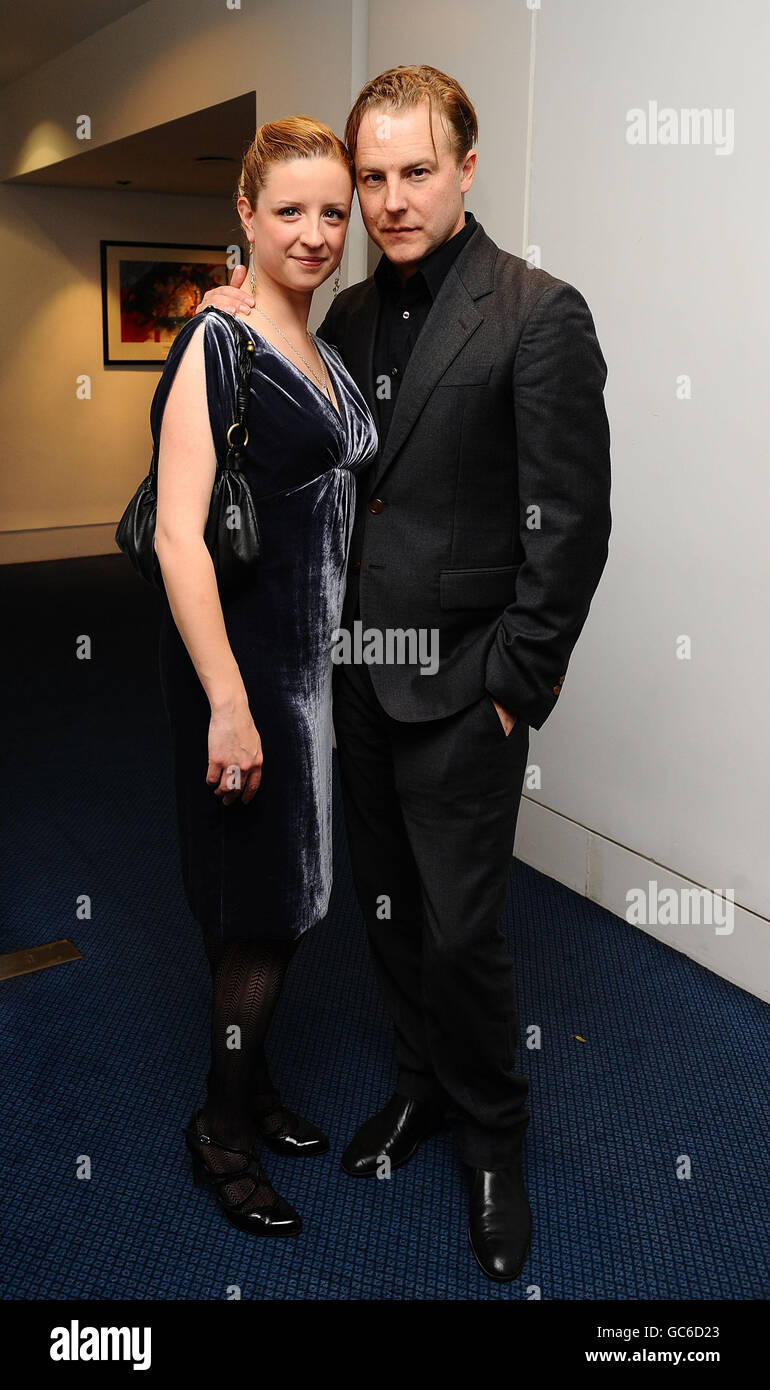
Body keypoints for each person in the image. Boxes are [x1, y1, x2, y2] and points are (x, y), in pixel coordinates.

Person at [201, 64, 612, 1281]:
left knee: (462, 934)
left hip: (465, 692)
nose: (385, 199)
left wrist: (512, 686)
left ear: (466, 167)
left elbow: (568, 528)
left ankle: (493, 1141)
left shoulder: (538, 313)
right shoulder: (346, 317)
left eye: (411, 172)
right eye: (368, 177)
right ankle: (418, 1089)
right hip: (358, 680)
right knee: (387, 915)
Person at [152, 117, 378, 1236]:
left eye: (331, 211)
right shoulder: (216, 343)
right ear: (242, 214)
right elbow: (178, 538)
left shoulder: (321, 348)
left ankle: (257, 1086)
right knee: (266, 917)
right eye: (287, 209)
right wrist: (231, 704)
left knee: (268, 904)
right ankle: (220, 1131)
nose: (315, 232)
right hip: (247, 682)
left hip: (309, 679)